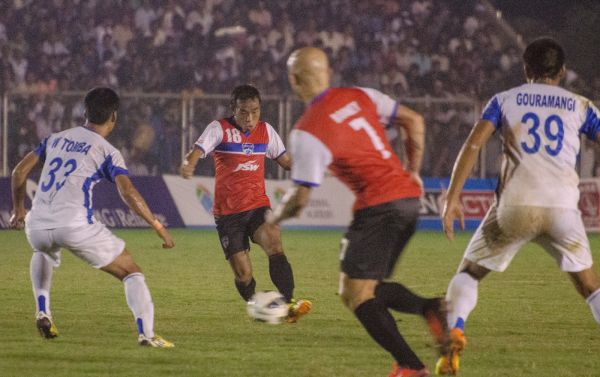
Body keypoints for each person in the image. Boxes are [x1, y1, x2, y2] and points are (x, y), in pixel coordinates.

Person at [268, 47, 449, 377]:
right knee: (370, 288)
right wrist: (414, 170)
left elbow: (300, 199)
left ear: (294, 80)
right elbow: (415, 120)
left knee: (353, 293)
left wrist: (273, 219)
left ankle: (411, 366)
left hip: (379, 207)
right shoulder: (360, 95)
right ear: (328, 72)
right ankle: (431, 310)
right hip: (409, 203)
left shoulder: (308, 130)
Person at [436, 37, 600, 375]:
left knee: (468, 273)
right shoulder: (580, 105)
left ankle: (455, 331)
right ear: (563, 71)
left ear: (526, 69)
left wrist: (452, 198)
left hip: (514, 206)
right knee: (590, 288)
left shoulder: (504, 100)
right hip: (562, 209)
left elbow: (473, 144)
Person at [10, 87, 175, 348]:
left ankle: (43, 311)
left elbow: (19, 172)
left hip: (37, 224)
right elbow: (127, 192)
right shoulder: (107, 150)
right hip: (74, 224)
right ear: (114, 117)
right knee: (131, 272)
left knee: (43, 251)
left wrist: (19, 209)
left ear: (85, 111)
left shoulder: (55, 138)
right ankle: (148, 335)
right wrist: (156, 224)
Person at [180, 84, 311, 322]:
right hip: (228, 214)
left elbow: (286, 161)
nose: (250, 118)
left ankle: (290, 304)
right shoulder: (218, 128)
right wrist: (190, 163)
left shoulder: (266, 131)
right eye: (243, 112)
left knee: (274, 243)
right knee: (243, 273)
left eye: (255, 111)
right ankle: (255, 304)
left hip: (257, 205)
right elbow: (197, 150)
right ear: (233, 109)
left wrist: (314, 168)